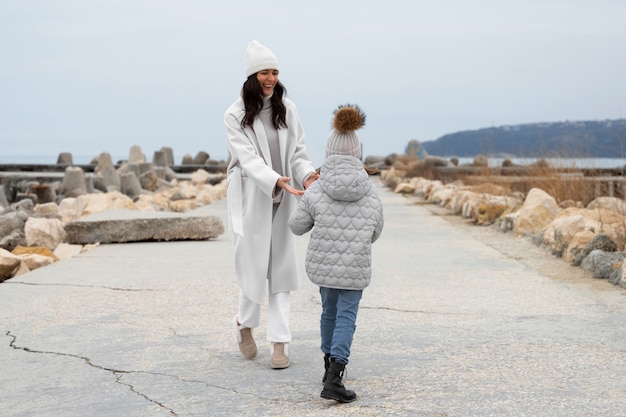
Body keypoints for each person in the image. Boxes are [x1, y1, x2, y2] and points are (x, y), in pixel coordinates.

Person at [224, 40, 319, 370]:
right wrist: (273, 179)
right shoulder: (234, 116)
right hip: (253, 197)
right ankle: (244, 325)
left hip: (286, 198)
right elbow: (246, 158)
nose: (271, 78)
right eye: (265, 72)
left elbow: (299, 153)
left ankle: (280, 342)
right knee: (253, 266)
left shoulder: (287, 109)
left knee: (281, 269)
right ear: (253, 75)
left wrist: (307, 177)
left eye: (275, 72)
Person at [288, 104, 384, 402]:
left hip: (324, 267)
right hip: (354, 267)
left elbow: (296, 226)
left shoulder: (316, 190)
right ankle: (335, 377)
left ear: (328, 153)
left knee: (329, 313)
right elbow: (376, 232)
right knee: (346, 317)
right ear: (358, 154)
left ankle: (328, 368)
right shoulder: (370, 192)